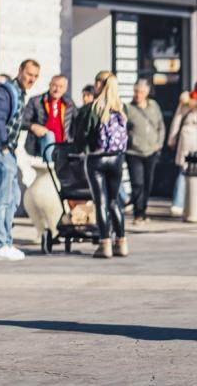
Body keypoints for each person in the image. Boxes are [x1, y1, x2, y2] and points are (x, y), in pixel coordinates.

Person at [74, 73, 130, 258]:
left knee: (101, 202)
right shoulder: (122, 109)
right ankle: (121, 243)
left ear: (99, 84)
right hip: (117, 159)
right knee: (115, 202)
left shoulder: (92, 109)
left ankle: (104, 244)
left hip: (96, 159)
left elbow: (81, 136)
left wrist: (78, 150)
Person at [0, 59, 40, 261]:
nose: (31, 79)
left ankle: (5, 242)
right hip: (0, 152)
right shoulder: (4, 91)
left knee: (13, 198)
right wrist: (2, 146)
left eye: (35, 76)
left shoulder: (19, 94)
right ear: (20, 71)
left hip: (9, 152)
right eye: (29, 74)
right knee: (2, 199)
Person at [125, 78, 165, 225]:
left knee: (148, 183)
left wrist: (159, 144)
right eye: (136, 91)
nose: (138, 94)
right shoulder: (128, 108)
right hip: (133, 152)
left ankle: (144, 209)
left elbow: (161, 126)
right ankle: (138, 213)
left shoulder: (154, 106)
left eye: (141, 92)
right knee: (137, 183)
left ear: (147, 92)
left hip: (151, 151)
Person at [23, 74, 77, 162]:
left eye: (61, 86)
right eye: (55, 85)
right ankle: (50, 165)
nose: (57, 89)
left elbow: (78, 120)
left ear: (65, 88)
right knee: (49, 135)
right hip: (41, 144)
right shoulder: (36, 101)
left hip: (63, 147)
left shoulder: (69, 103)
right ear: (50, 85)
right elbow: (22, 121)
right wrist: (33, 126)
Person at [167, 87, 197, 216]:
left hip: (186, 136)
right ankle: (191, 202)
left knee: (183, 170)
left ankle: (178, 203)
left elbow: (177, 119)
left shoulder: (186, 99)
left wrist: (172, 138)